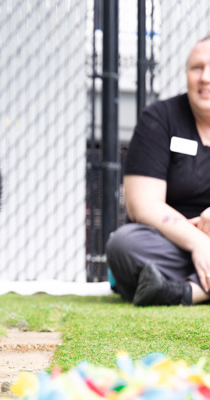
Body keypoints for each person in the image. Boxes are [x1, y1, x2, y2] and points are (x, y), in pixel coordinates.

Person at [106, 36, 210, 306]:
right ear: (187, 73)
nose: (205, 77)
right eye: (197, 67)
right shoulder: (160, 118)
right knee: (124, 245)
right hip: (171, 244)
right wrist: (199, 243)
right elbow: (142, 205)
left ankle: (185, 292)